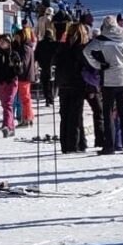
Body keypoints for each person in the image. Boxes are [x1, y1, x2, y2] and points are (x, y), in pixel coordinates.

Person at [85, 15, 123, 155]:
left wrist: (98, 64)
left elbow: (86, 51)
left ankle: (109, 146)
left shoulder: (102, 38)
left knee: (108, 113)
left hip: (109, 79)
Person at [53, 23, 90, 153]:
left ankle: (70, 144)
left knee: (65, 115)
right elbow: (87, 65)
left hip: (63, 84)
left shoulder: (62, 47)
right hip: (76, 84)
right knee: (75, 116)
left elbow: (55, 61)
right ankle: (72, 145)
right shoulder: (80, 48)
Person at [0, 33, 22, 137]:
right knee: (5, 105)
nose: (1, 43)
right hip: (0, 82)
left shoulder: (14, 54)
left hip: (11, 81)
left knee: (8, 103)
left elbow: (19, 70)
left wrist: (15, 66)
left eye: (3, 41)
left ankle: (6, 126)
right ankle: (12, 128)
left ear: (8, 43)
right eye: (0, 42)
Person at [15, 29, 37, 127]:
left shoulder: (24, 48)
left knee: (25, 98)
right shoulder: (28, 47)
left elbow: (23, 63)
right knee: (25, 97)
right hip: (27, 75)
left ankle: (27, 118)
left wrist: (16, 66)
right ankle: (29, 117)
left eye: (17, 36)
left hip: (24, 76)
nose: (16, 38)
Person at [34, 29, 59, 107]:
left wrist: (37, 62)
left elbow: (36, 55)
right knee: (53, 83)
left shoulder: (40, 44)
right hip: (53, 66)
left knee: (45, 83)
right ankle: (52, 98)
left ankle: (47, 99)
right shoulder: (55, 44)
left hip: (43, 66)